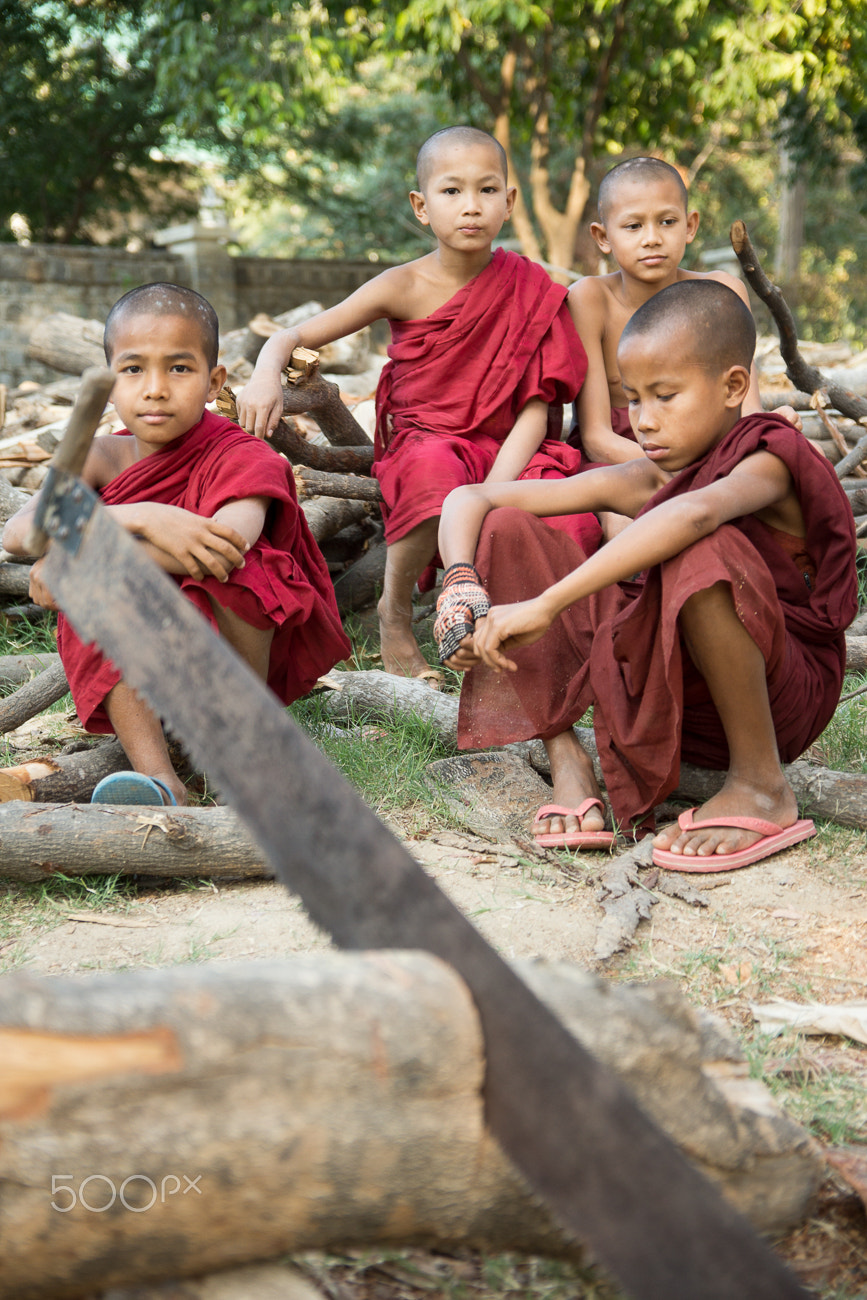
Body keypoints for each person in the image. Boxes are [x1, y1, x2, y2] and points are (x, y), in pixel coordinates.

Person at [434, 280, 857, 870]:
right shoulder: (644, 477)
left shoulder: (768, 458)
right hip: (669, 697)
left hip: (779, 694)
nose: (645, 422)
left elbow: (696, 513)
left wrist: (547, 604)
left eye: (666, 396)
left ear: (734, 386)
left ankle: (762, 782)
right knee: (510, 527)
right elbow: (470, 497)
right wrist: (459, 585)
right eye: (634, 399)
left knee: (698, 546)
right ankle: (569, 763)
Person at [237, 125, 600, 686]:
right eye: (451, 191)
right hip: (426, 439)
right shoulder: (400, 285)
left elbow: (537, 403)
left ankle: (537, 638)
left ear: (510, 201)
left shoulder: (531, 287)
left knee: (567, 512)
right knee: (434, 475)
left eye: (486, 190)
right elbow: (292, 337)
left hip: (511, 445)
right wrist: (264, 375)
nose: (471, 207)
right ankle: (395, 611)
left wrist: (494, 491)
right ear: (421, 206)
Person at [2, 283, 350, 806]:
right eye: (133, 369)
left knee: (250, 574)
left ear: (214, 382)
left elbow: (228, 546)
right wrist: (140, 515)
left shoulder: (243, 454)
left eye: (179, 369)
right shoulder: (98, 454)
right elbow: (21, 533)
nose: (155, 389)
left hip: (233, 658)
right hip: (139, 661)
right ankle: (159, 780)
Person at [566, 157, 798, 493]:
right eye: (633, 226)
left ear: (690, 226)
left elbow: (747, 411)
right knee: (622, 522)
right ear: (603, 237)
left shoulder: (721, 291)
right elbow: (597, 438)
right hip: (625, 461)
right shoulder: (590, 300)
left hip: (714, 455)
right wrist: (684, 475)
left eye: (667, 222)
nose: (652, 238)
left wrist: (768, 430)